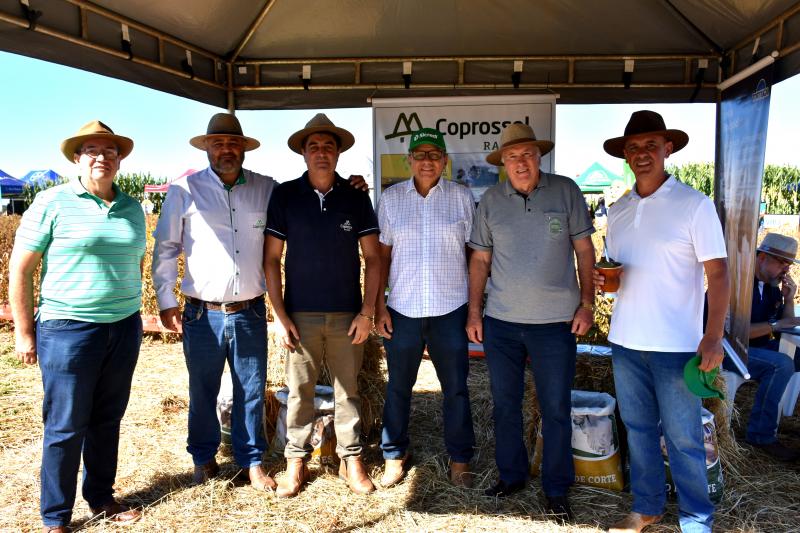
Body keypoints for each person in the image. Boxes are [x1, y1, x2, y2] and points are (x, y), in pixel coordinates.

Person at [598, 110, 730, 533]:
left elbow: (719, 273)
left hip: (677, 346)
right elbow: (618, 274)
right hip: (626, 340)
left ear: (667, 148)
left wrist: (713, 336)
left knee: (684, 436)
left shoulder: (694, 204)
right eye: (633, 147)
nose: (642, 154)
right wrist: (607, 282)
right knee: (637, 429)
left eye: (650, 145)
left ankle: (696, 518)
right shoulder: (618, 209)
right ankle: (647, 507)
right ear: (625, 155)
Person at [10, 120, 145, 531]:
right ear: (77, 158)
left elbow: (134, 261)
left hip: (124, 326)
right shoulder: (52, 202)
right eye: (92, 150)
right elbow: (20, 270)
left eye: (110, 151)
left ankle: (101, 498)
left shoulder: (132, 207)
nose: (102, 157)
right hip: (68, 329)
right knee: (66, 425)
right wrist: (24, 331)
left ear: (120, 160)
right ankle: (56, 517)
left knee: (107, 418)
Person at [467, 123, 596, 521]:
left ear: (539, 157)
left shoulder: (566, 190)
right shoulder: (491, 200)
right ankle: (512, 476)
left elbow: (585, 250)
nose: (520, 163)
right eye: (512, 157)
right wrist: (474, 312)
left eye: (527, 154)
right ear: (503, 162)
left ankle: (556, 488)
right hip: (502, 323)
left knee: (555, 407)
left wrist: (587, 304)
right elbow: (480, 260)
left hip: (556, 323)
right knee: (505, 404)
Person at [152, 113, 277, 491]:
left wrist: (352, 185)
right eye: (218, 143)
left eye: (233, 143)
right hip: (201, 314)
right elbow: (166, 247)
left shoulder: (265, 188)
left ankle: (251, 461)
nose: (226, 149)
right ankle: (203, 459)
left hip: (249, 310)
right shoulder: (184, 190)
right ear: (207, 147)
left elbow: (305, 200)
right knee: (202, 389)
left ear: (244, 148)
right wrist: (165, 299)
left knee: (251, 390)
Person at [265, 113, 380, 497]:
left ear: (338, 152)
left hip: (348, 315)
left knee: (348, 392)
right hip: (299, 316)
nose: (321, 152)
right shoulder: (285, 195)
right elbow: (271, 259)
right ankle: (296, 462)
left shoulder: (355, 196)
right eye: (313, 146)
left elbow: (374, 258)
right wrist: (280, 316)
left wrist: (367, 313)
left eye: (328, 146)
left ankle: (352, 460)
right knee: (300, 393)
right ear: (303, 153)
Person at [375, 128, 476, 488]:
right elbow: (380, 258)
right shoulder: (391, 199)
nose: (427, 161)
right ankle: (394, 454)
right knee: (398, 387)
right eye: (420, 155)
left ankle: (460, 458)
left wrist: (474, 308)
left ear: (445, 160)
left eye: (435, 154)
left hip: (450, 309)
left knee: (456, 389)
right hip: (402, 309)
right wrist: (379, 307)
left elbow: (474, 256)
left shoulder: (462, 198)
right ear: (410, 160)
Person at [738, 233, 800, 460]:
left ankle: (783, 418)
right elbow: (735, 333)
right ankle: (760, 435)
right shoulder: (737, 282)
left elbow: (784, 327)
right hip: (729, 349)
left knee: (795, 356)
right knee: (781, 364)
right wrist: (776, 325)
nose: (786, 269)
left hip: (759, 347)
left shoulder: (772, 286)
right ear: (762, 257)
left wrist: (789, 299)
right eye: (782, 263)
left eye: (789, 265)